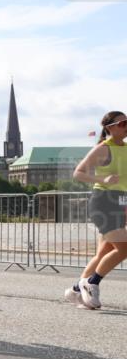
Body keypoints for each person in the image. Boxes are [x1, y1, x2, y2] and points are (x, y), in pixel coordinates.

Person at [66, 110, 127, 309]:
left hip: (120, 203)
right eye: (123, 123)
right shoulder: (103, 148)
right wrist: (103, 179)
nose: (126, 126)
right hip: (104, 202)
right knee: (124, 248)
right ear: (110, 128)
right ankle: (91, 283)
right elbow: (79, 173)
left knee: (104, 252)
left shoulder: (126, 148)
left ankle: (76, 289)